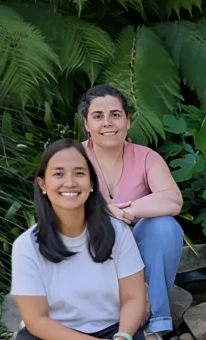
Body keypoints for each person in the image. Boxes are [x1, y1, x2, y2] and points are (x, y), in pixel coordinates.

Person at [10, 139, 149, 340]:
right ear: (42, 184)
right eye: (58, 174)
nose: (70, 183)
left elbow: (134, 298)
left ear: (91, 183)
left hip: (115, 331)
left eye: (79, 173)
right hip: (55, 335)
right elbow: (36, 319)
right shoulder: (26, 246)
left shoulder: (118, 232)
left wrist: (123, 336)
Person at [77, 84, 185, 338]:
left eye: (115, 115)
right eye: (98, 116)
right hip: (94, 250)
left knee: (164, 227)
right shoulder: (74, 157)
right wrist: (104, 213)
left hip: (137, 255)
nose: (107, 123)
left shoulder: (146, 157)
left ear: (127, 120)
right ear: (86, 123)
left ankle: (153, 322)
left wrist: (128, 209)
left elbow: (172, 199)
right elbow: (61, 208)